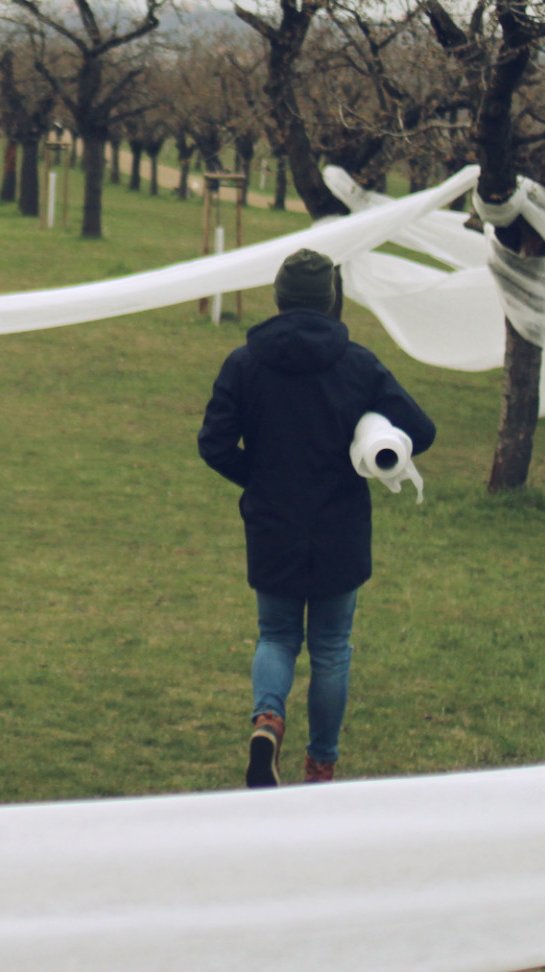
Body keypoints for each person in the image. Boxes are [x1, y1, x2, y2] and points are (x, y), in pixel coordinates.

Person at [198, 247, 436, 787]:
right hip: (340, 525)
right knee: (331, 648)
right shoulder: (359, 364)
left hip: (271, 523)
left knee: (276, 635)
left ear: (279, 298)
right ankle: (320, 765)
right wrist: (370, 444)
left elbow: (212, 444)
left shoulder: (244, 362)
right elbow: (421, 431)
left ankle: (267, 720)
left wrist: (257, 479)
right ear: (331, 300)